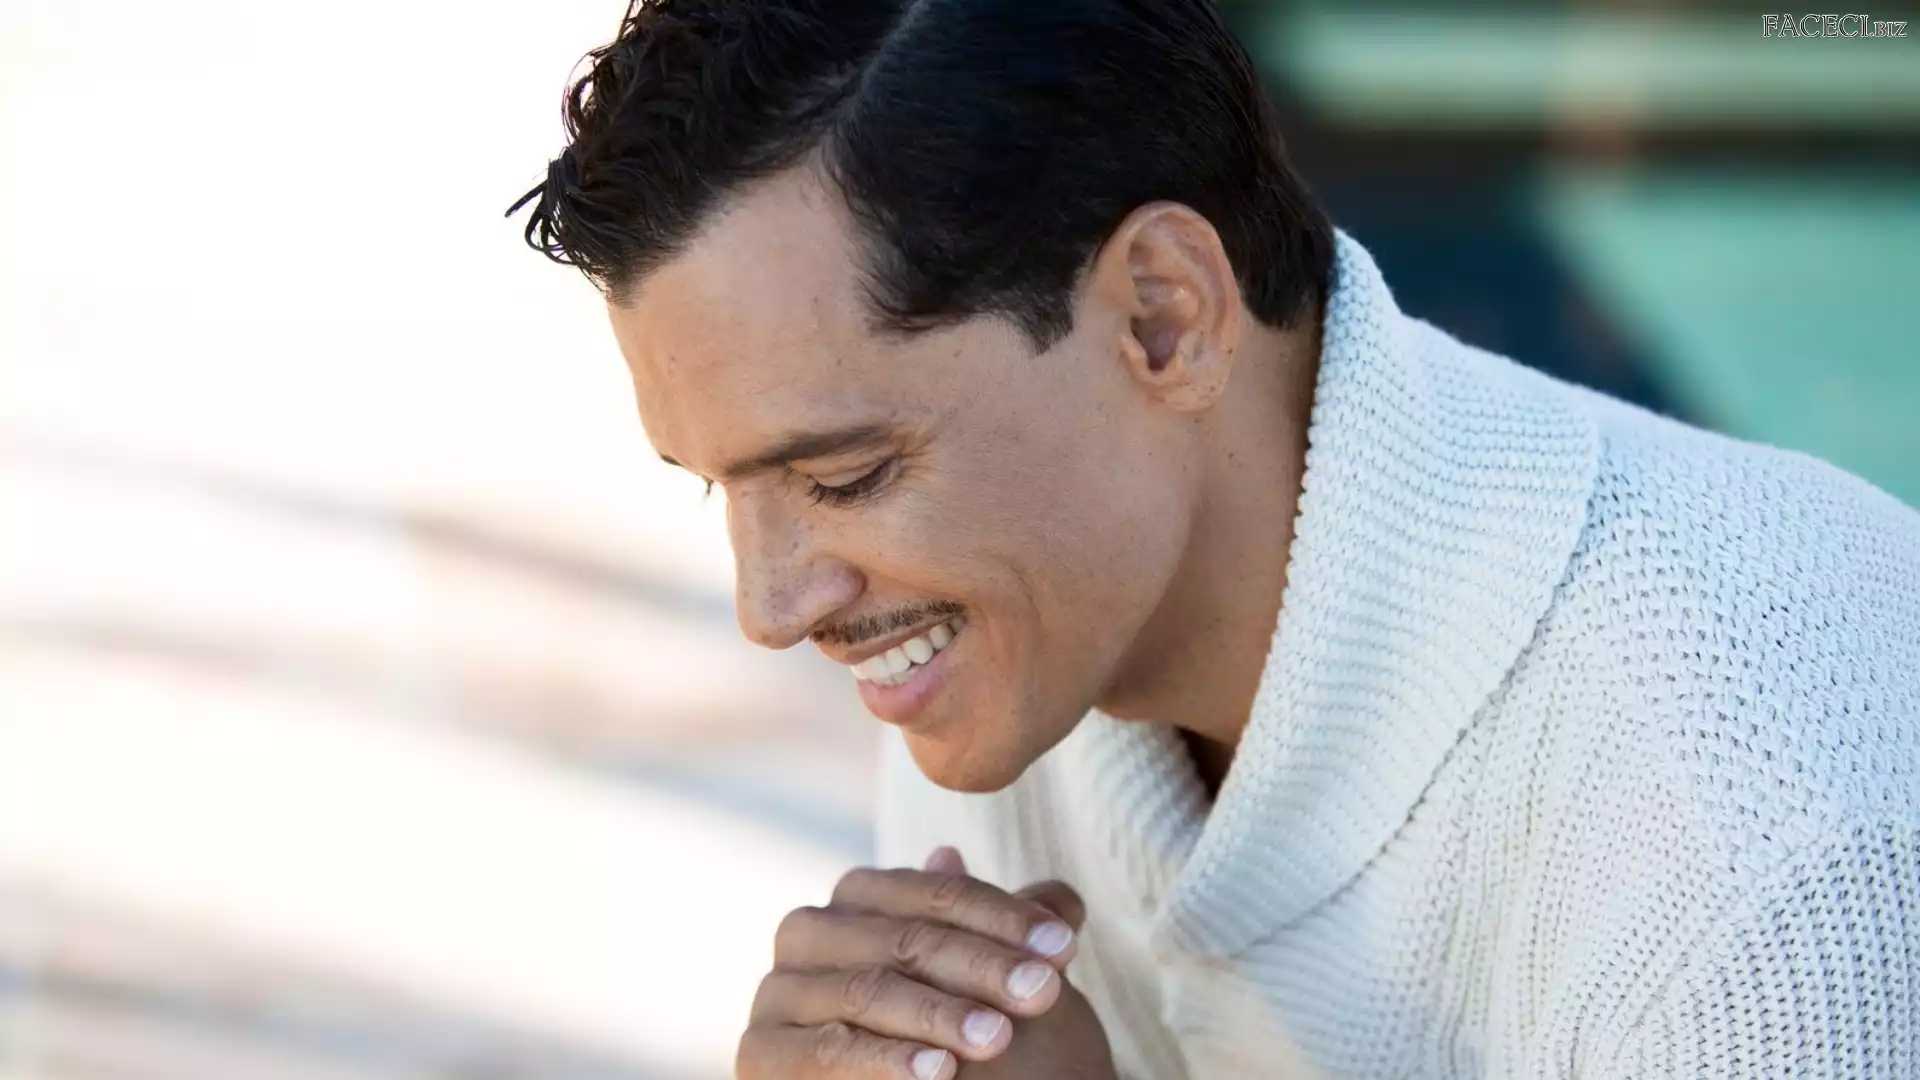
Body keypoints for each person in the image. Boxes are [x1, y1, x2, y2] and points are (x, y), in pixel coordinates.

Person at [507, 2, 1920, 1077]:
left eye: (845, 473)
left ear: (1164, 317)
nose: (772, 605)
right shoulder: (1017, 628)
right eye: (721, 487)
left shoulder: (1762, 841)